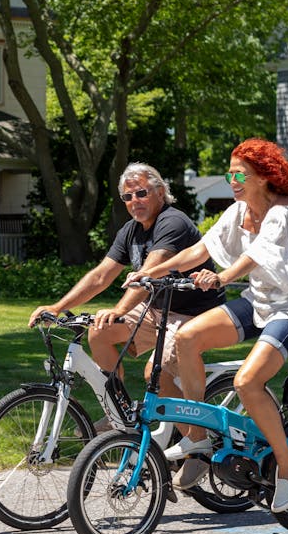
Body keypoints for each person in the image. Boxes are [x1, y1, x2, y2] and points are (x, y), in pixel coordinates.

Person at [127, 138, 288, 512]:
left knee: (248, 382)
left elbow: (254, 257)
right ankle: (200, 439)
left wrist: (221, 278)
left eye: (241, 174)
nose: (233, 180)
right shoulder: (237, 212)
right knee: (187, 337)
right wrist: (148, 273)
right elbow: (197, 251)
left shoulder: (284, 212)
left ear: (265, 178)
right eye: (230, 172)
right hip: (260, 301)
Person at [28, 162, 225, 427]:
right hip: (156, 310)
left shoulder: (172, 222)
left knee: (156, 376)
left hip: (192, 314)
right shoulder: (131, 230)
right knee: (100, 331)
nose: (135, 201)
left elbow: (149, 274)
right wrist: (57, 306)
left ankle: (195, 443)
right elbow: (101, 275)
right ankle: (119, 415)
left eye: (141, 193)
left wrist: (120, 310)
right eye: (128, 197)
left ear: (160, 191)